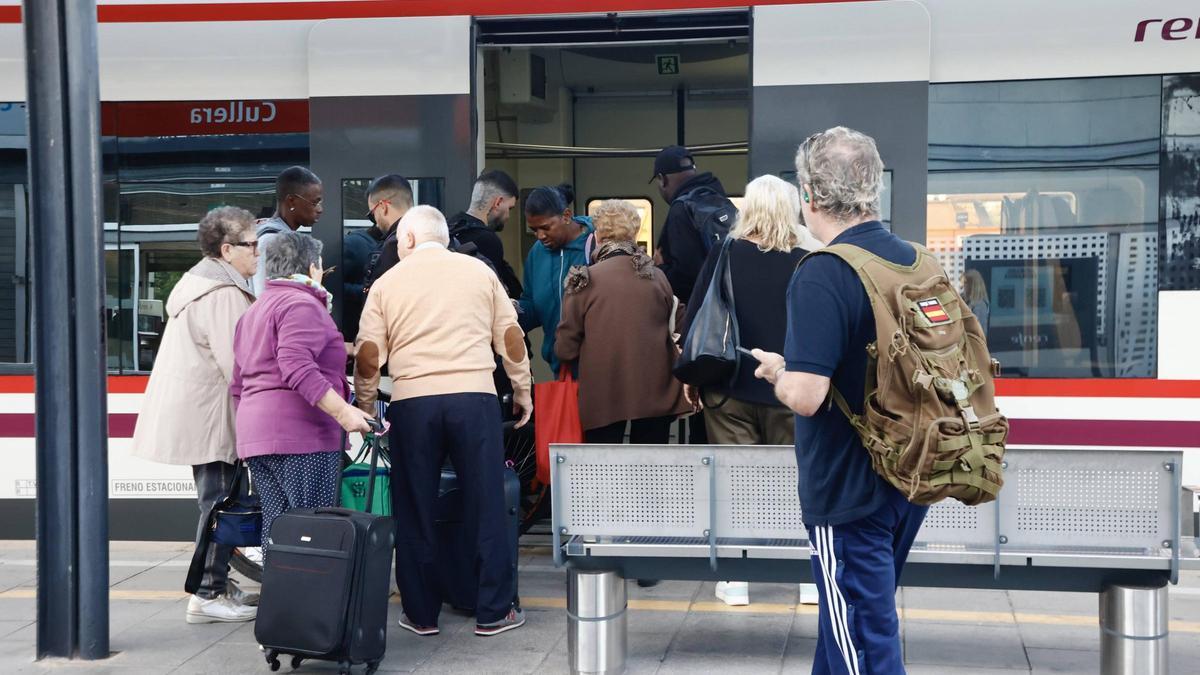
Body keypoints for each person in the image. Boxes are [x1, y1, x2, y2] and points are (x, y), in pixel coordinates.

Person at [750, 127, 927, 675]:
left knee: (863, 646)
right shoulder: (914, 260)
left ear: (809, 194)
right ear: (873, 187)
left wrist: (778, 372)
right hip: (908, 476)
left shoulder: (825, 272)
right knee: (846, 626)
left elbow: (807, 397)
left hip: (849, 490)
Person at [354, 206, 533, 638]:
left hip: (414, 403)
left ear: (409, 239)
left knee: (415, 506)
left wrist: (365, 405)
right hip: (474, 399)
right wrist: (522, 390)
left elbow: (368, 355)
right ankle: (494, 611)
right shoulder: (479, 273)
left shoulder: (387, 283)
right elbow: (510, 337)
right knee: (487, 502)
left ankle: (421, 613)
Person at [678, 175, 820, 608]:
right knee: (798, 483)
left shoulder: (725, 253)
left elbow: (698, 318)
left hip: (729, 389)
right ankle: (806, 578)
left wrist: (693, 378)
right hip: (790, 391)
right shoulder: (809, 260)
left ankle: (737, 579)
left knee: (735, 483)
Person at [130, 206, 260, 624]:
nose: (258, 251)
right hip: (213, 418)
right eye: (251, 244)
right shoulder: (222, 294)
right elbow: (239, 365)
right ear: (227, 249)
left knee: (217, 500)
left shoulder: (202, 284)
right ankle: (207, 593)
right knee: (222, 503)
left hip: (204, 414)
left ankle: (217, 584)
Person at [232, 231, 373, 559]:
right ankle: (311, 593)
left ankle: (281, 592)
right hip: (301, 437)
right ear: (311, 267)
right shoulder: (301, 304)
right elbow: (295, 364)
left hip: (258, 438)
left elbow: (237, 384)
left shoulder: (255, 310)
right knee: (312, 531)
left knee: (278, 530)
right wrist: (345, 412)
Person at [555, 199, 690, 445]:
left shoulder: (584, 279)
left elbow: (565, 348)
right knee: (650, 463)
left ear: (598, 236)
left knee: (604, 464)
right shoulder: (657, 277)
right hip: (654, 392)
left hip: (602, 394)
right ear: (633, 235)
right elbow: (679, 323)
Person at [517, 184, 594, 374]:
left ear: (566, 216)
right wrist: (509, 311)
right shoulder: (537, 252)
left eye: (545, 227)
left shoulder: (596, 244)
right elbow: (533, 304)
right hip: (560, 365)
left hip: (596, 362)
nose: (540, 236)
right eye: (534, 230)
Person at [448, 169, 523, 299]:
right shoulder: (488, 240)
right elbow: (491, 293)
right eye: (509, 208)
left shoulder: (447, 228)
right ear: (498, 202)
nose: (508, 216)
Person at [252, 166, 323, 295]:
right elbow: (262, 295)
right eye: (315, 202)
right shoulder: (271, 240)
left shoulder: (274, 234)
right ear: (291, 201)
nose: (320, 209)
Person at [359, 174, 415, 293]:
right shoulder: (437, 237)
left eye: (372, 215)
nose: (376, 223)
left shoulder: (394, 246)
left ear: (383, 206)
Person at [962, 268, 990, 334]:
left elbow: (977, 330)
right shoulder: (965, 300)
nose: (963, 285)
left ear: (972, 285)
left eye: (965, 283)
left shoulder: (980, 305)